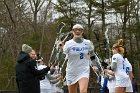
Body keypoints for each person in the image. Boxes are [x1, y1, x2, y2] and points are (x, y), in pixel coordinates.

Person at [62, 24, 98, 93]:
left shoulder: (87, 43)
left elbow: (92, 54)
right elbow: (64, 57)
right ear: (73, 32)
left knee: (83, 91)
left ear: (82, 32)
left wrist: (94, 65)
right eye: (76, 30)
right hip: (71, 71)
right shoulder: (68, 44)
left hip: (83, 70)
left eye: (80, 30)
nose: (78, 31)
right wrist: (61, 49)